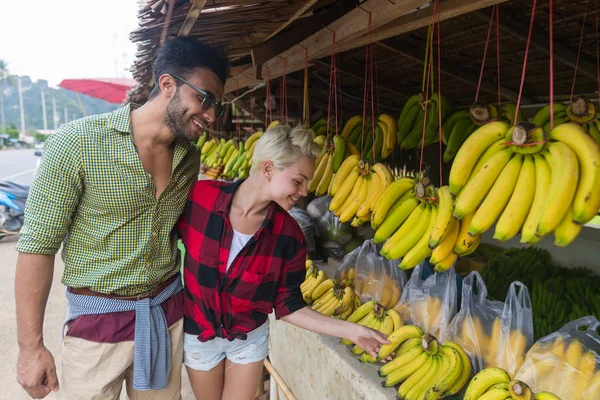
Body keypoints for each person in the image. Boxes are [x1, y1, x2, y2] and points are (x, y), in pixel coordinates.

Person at [14, 37, 228, 400]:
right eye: (204, 99)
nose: (210, 115)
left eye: (216, 106)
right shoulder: (78, 143)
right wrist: (30, 349)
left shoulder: (189, 158)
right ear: (167, 84)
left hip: (164, 314)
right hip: (97, 325)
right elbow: (37, 246)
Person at [177, 125, 390, 400]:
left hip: (247, 339)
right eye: (298, 181)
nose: (303, 192)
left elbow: (288, 305)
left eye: (306, 184)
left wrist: (353, 331)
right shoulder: (201, 198)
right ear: (268, 169)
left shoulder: (289, 237)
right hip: (199, 332)